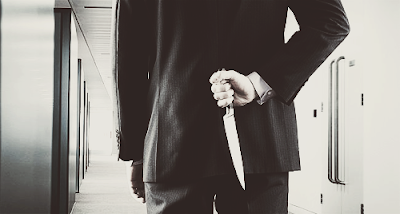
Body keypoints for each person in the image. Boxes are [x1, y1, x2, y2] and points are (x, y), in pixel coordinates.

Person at [113, 0, 349, 213]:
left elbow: (128, 57)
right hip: (260, 137)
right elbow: (330, 22)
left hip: (171, 137)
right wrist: (257, 83)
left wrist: (135, 153)